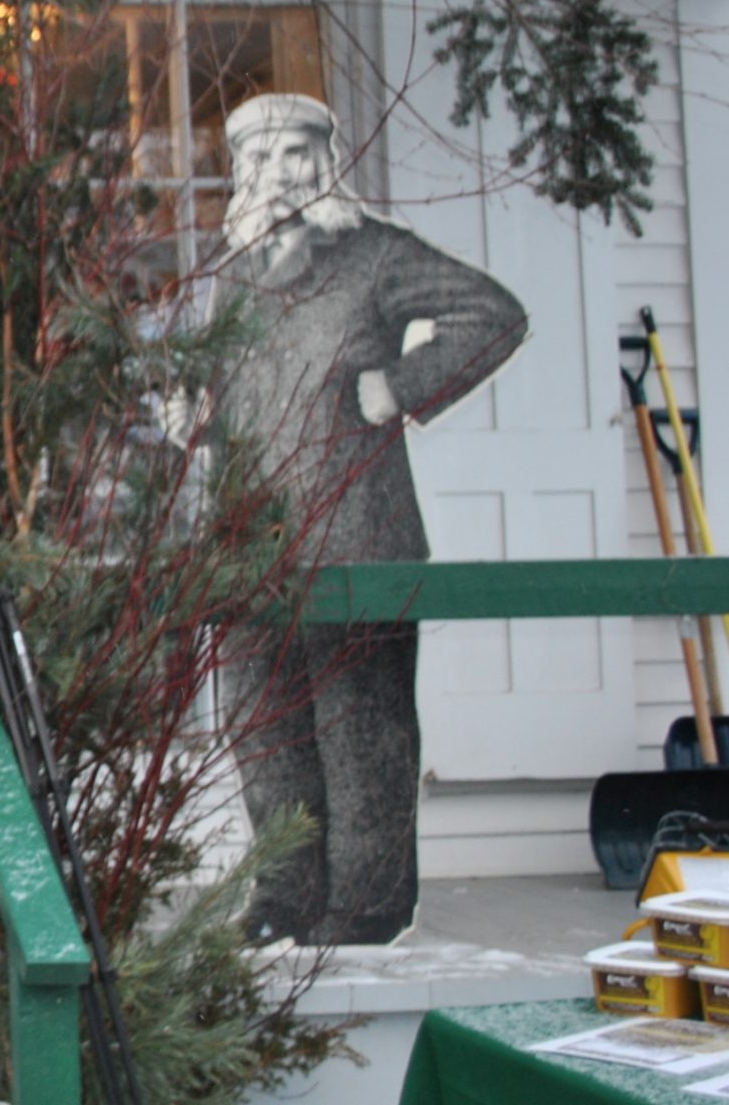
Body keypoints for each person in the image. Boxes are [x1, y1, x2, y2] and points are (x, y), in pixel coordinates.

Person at [214, 92, 527, 946]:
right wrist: (189, 416)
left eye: (299, 155)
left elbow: (492, 313)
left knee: (362, 727)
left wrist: (402, 385)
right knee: (263, 725)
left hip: (359, 531)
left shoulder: (374, 255)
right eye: (263, 158)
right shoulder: (230, 274)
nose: (281, 174)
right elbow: (225, 394)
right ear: (238, 173)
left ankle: (367, 902)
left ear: (326, 161)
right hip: (250, 545)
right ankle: (284, 896)